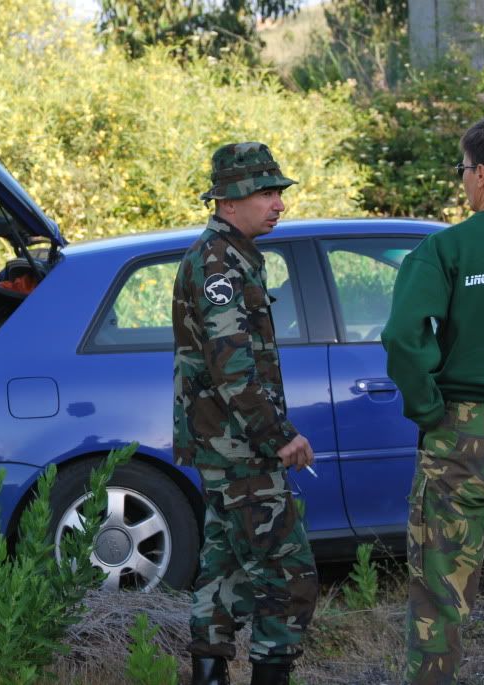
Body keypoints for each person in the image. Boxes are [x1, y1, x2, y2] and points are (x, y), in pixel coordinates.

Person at [381, 114, 484, 685]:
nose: (463, 179)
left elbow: (401, 334)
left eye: (464, 169)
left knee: (440, 598)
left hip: (463, 437)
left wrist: (428, 409)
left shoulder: (445, 248)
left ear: (482, 175)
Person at [173, 142, 318, 685]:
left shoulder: (230, 256)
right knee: (289, 575)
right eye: (265, 193)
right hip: (240, 450)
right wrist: (278, 435)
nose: (278, 203)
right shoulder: (218, 264)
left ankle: (209, 675)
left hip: (226, 447)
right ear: (229, 202)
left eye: (279, 192)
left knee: (224, 570)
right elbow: (232, 366)